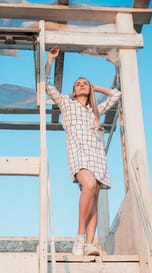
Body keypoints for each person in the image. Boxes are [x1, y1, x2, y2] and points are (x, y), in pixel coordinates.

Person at [45, 46, 122, 256]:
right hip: (77, 153)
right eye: (78, 83)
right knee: (88, 184)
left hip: (96, 155)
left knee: (94, 194)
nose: (81, 85)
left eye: (84, 83)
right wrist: (50, 59)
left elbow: (116, 95)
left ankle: (89, 244)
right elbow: (47, 85)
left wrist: (96, 87)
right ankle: (79, 236)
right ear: (73, 89)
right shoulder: (66, 103)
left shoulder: (94, 111)